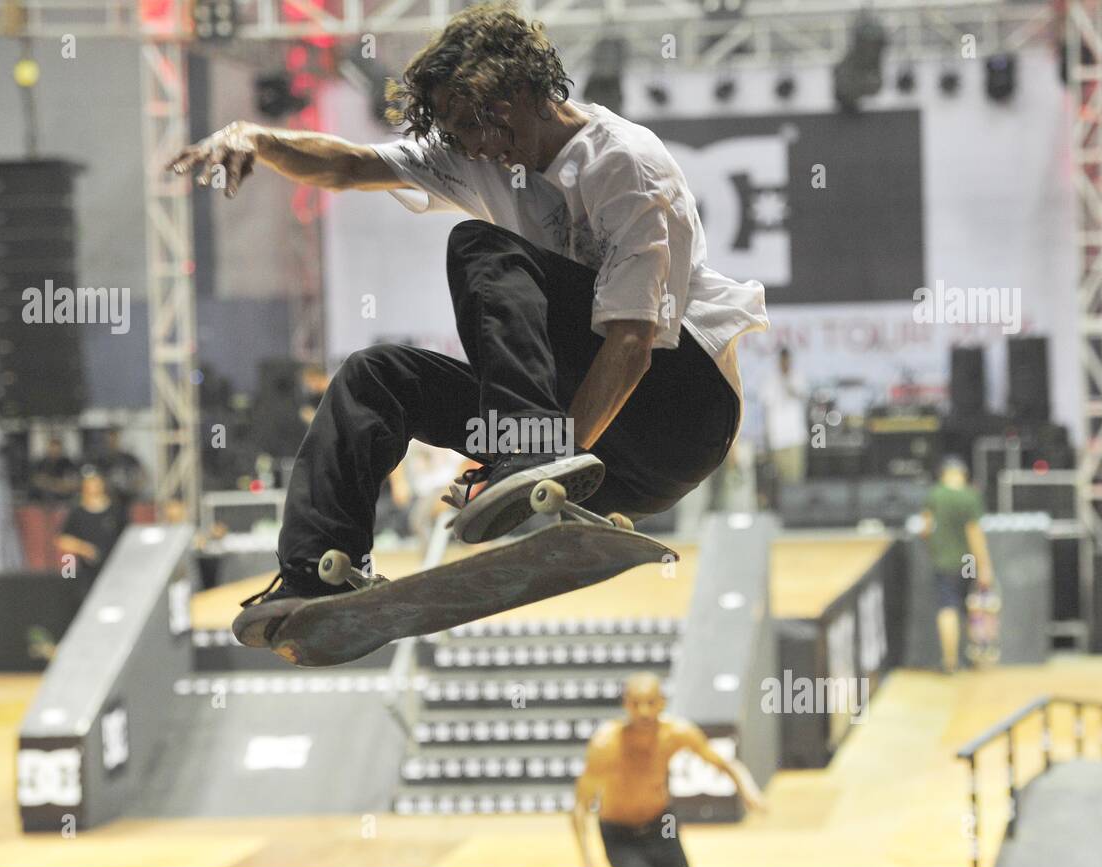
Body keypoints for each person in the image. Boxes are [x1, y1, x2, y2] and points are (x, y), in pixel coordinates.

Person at [168, 2, 769, 650]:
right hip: (595, 452)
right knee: (377, 378)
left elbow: (632, 343)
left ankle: (533, 450)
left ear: (525, 90)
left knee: (482, 246)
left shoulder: (625, 165)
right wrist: (259, 139)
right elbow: (348, 167)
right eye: (457, 131)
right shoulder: (470, 154)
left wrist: (540, 457)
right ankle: (320, 570)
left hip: (681, 411)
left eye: (482, 122)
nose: (478, 146)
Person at [572, 673, 767, 867]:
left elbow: (724, 763)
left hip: (663, 824)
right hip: (620, 835)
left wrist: (747, 789)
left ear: (662, 702)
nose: (644, 712)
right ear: (626, 705)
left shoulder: (675, 733)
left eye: (650, 702)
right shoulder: (606, 744)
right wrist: (587, 862)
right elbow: (580, 807)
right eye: (636, 704)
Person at [920, 456, 995, 673]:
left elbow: (925, 528)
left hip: (944, 560)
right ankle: (975, 656)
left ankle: (950, 661)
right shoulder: (970, 496)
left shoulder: (934, 495)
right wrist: (984, 567)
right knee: (972, 606)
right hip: (967, 561)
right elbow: (975, 534)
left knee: (948, 607)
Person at [55, 470, 129, 601]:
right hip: (87, 575)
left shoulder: (117, 511)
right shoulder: (77, 513)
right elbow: (62, 540)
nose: (93, 486)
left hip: (116, 572)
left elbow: (129, 538)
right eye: (89, 482)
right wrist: (84, 549)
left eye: (96, 482)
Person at [758, 346, 808, 499]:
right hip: (777, 437)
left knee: (795, 477)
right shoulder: (770, 380)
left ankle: (796, 509)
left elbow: (800, 394)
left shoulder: (797, 377)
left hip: (795, 436)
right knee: (779, 477)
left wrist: (787, 379)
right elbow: (765, 406)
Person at [90, 428, 147, 518]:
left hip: (127, 499)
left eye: (114, 438)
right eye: (109, 439)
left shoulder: (128, 457)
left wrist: (136, 485)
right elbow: (95, 479)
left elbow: (142, 473)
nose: (112, 441)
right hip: (108, 500)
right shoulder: (101, 460)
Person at [28, 435, 80, 503]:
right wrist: (54, 484)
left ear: (60, 449)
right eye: (52, 448)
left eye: (57, 449)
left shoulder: (67, 463)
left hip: (64, 499)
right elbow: (37, 480)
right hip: (43, 498)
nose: (54, 451)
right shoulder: (41, 463)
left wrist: (52, 483)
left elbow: (72, 483)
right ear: (48, 449)